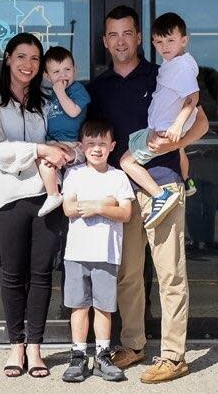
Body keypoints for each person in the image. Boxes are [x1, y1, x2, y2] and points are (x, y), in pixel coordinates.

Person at [88, 5, 209, 384]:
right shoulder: (99, 88)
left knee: (170, 273)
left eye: (128, 33)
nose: (120, 40)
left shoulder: (164, 72)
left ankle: (173, 355)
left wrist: (171, 145)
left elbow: (201, 122)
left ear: (139, 38)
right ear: (106, 42)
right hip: (122, 190)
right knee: (128, 274)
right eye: (113, 35)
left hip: (163, 183)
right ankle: (134, 344)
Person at [0, 32, 74, 378]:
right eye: (21, 57)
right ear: (7, 59)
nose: (28, 65)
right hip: (8, 196)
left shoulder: (45, 100)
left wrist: (67, 149)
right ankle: (16, 345)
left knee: (42, 273)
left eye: (34, 59)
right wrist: (40, 150)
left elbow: (60, 136)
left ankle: (35, 347)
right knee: (13, 273)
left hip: (47, 196)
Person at [60, 118, 134, 383]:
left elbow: (125, 212)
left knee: (104, 307)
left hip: (106, 253)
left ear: (112, 146)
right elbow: (69, 208)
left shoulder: (118, 176)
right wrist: (105, 201)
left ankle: (103, 356)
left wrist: (98, 208)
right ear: (82, 146)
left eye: (102, 143)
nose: (97, 148)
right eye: (91, 143)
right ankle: (78, 356)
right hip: (77, 253)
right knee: (78, 306)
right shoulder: (74, 174)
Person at [119, 12, 200, 229]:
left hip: (164, 131)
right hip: (162, 128)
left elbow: (193, 97)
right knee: (177, 149)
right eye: (158, 42)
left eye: (170, 40)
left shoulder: (181, 67)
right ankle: (187, 180)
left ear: (184, 40)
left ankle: (160, 195)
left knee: (126, 161)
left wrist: (177, 125)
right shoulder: (173, 64)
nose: (164, 46)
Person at [37, 46, 90, 217]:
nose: (63, 75)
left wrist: (60, 92)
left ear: (75, 69)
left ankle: (60, 195)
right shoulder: (48, 94)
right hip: (53, 142)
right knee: (43, 161)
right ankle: (54, 193)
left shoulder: (77, 90)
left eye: (67, 69)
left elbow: (73, 111)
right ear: (47, 76)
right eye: (56, 71)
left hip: (72, 144)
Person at [185, 130, 218, 251]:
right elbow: (179, 154)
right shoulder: (188, 133)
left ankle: (208, 240)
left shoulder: (214, 136)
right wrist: (195, 154)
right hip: (193, 177)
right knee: (192, 210)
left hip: (211, 178)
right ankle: (194, 240)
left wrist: (213, 153)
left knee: (210, 211)